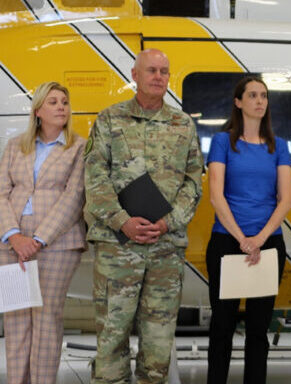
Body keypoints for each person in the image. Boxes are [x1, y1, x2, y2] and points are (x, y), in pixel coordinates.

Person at [84, 49, 203, 384]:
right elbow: (94, 178)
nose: (158, 76)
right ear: (134, 75)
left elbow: (194, 183)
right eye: (151, 70)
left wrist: (169, 222)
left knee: (158, 343)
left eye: (164, 71)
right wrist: (122, 221)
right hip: (117, 247)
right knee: (112, 338)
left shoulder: (183, 124)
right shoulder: (109, 120)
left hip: (165, 248)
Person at [205, 76, 291, 384]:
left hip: (267, 244)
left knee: (258, 329)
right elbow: (217, 195)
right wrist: (243, 239)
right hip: (227, 242)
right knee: (222, 325)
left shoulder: (279, 146)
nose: (260, 101)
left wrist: (259, 239)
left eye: (264, 96)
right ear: (238, 102)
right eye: (252, 95)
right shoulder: (222, 142)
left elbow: (285, 201)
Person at [0, 81, 86, 384]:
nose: (61, 106)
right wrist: (13, 235)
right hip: (11, 243)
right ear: (38, 110)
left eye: (64, 101)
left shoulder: (79, 146)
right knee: (15, 319)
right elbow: (1, 193)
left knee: (46, 318)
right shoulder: (15, 146)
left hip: (58, 243)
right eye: (53, 102)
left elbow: (74, 196)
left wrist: (37, 240)